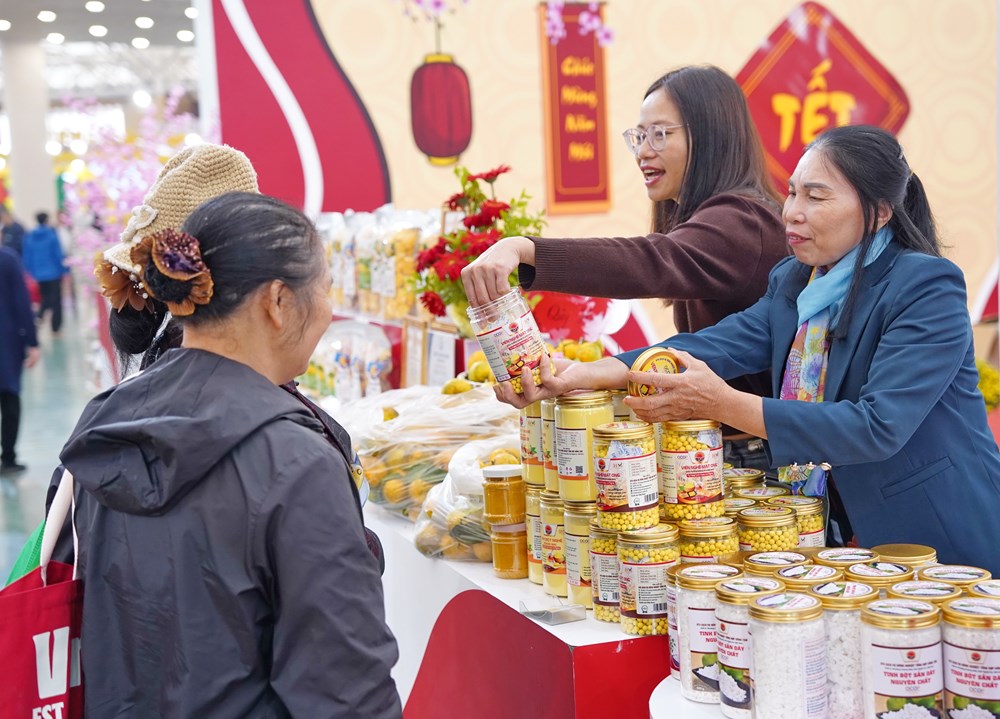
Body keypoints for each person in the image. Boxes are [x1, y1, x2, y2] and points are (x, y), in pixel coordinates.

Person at [494, 125, 1000, 572]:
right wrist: (585, 373)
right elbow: (718, 344)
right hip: (833, 539)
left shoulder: (925, 286)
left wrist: (723, 403)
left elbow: (877, 426)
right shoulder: (797, 279)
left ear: (879, 212)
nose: (792, 213)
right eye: (793, 193)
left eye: (816, 198)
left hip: (936, 538)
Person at [56, 192, 401, 717]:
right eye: (327, 290)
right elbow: (346, 692)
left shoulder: (107, 423)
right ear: (278, 302)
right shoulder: (296, 464)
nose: (331, 312)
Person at [462, 65, 788, 469]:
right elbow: (688, 350)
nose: (643, 151)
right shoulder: (717, 217)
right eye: (639, 136)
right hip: (717, 444)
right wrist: (585, 373)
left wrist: (525, 249)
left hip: (755, 457)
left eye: (660, 134)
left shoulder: (743, 222)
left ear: (710, 137)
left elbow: (650, 261)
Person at [0, 246, 39, 475]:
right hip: (7, 342)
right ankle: (9, 457)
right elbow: (21, 301)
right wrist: (32, 341)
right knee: (9, 398)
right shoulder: (7, 260)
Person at [22, 211, 67, 334]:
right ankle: (55, 328)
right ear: (46, 220)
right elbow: (58, 254)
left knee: (45, 298)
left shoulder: (30, 237)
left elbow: (27, 256)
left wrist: (30, 272)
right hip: (54, 273)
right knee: (56, 301)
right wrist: (64, 269)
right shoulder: (52, 235)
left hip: (39, 275)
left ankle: (39, 316)